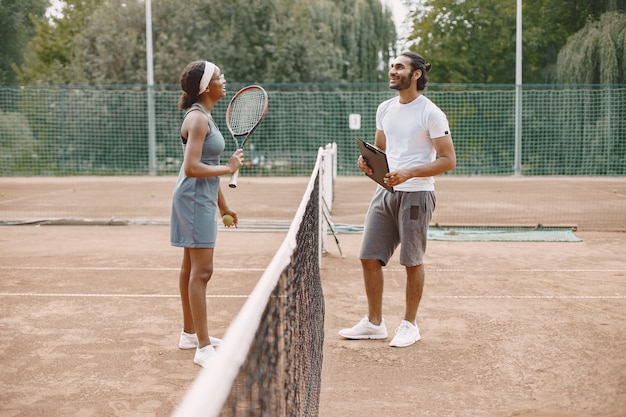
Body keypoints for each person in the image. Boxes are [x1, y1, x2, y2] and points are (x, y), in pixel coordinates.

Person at [339, 51, 456, 348]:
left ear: (416, 74)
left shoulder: (430, 112)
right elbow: (380, 152)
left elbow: (448, 160)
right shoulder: (385, 109)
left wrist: (409, 173)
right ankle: (375, 324)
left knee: (412, 261)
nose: (393, 71)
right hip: (386, 193)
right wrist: (367, 165)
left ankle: (409, 325)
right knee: (368, 257)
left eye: (399, 67)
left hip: (417, 194)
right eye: (392, 66)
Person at [170, 60, 245, 367]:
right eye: (218, 77)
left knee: (190, 269)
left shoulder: (205, 117)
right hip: (192, 201)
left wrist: (224, 205)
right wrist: (228, 168)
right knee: (202, 272)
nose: (223, 80)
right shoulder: (198, 120)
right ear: (205, 87)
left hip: (197, 198)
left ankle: (190, 333)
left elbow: (206, 171)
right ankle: (202, 347)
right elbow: (191, 168)